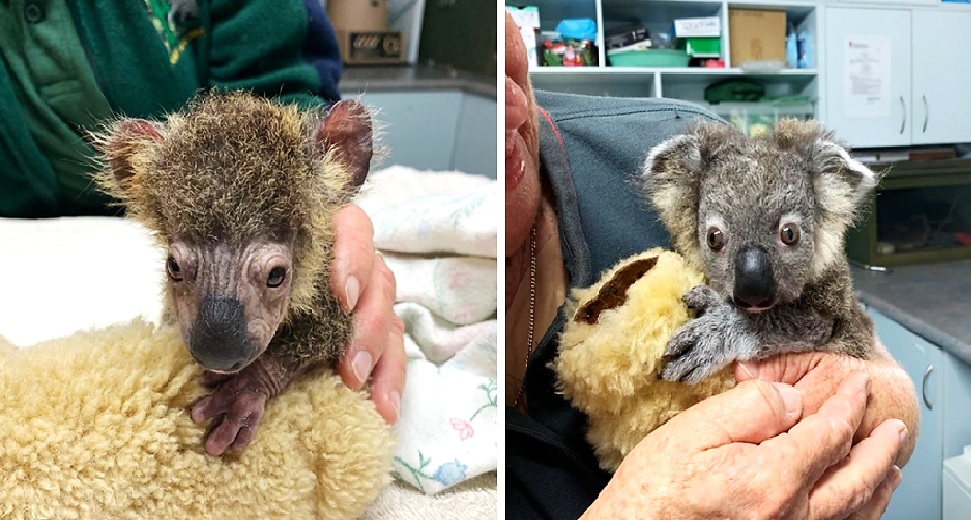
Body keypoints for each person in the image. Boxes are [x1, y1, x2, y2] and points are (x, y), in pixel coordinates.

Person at [504, 11, 920, 519]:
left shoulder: (708, 143)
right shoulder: (686, 173)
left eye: (789, 235)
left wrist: (886, 404)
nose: (506, 105)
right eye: (717, 240)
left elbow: (856, 347)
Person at [0, 0, 404, 425]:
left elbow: (285, 85)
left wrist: (265, 376)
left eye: (273, 274)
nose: (218, 348)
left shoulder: (314, 235)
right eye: (176, 268)